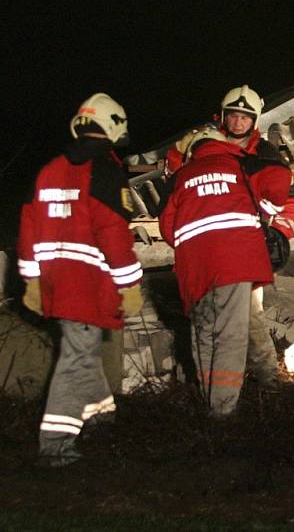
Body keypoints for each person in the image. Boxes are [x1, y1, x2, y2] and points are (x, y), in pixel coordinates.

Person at [18, 93, 143, 467]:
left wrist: (33, 281)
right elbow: (113, 234)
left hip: (55, 281)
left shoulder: (49, 169)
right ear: (113, 126)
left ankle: (103, 418)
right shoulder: (104, 170)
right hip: (87, 284)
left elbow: (27, 229)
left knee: (81, 350)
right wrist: (130, 283)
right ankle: (55, 443)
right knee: (75, 358)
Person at [165, 85, 294, 389]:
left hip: (243, 249)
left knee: (250, 318)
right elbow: (175, 185)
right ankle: (215, 388)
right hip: (204, 249)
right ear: (222, 116)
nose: (239, 123)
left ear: (255, 120)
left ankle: (268, 381)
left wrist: (278, 233)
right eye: (234, 116)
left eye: (245, 117)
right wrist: (177, 153)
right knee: (204, 320)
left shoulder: (265, 153)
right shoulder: (199, 145)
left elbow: (290, 198)